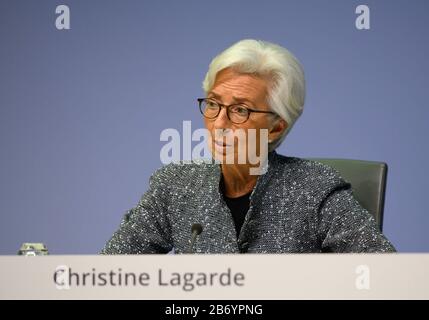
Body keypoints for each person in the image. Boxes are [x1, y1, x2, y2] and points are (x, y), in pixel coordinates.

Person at [101, 39, 396, 254]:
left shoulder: (315, 190)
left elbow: (381, 274)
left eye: (240, 110)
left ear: (276, 127)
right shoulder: (175, 186)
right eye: (214, 104)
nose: (219, 123)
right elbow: (113, 271)